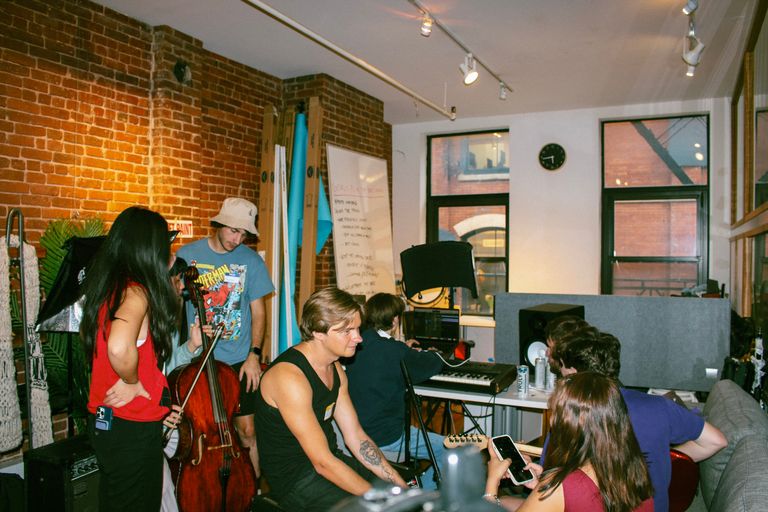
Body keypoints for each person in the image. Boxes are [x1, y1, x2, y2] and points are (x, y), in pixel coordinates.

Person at [255, 287, 407, 511]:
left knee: (399, 496)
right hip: (295, 479)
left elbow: (356, 436)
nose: (358, 338)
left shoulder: (335, 368)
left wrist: (399, 485)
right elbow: (322, 463)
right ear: (318, 332)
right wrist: (376, 498)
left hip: (330, 460)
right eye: (347, 331)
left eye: (358, 328)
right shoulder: (289, 378)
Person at [547, 328, 728, 512]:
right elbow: (716, 441)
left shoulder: (572, 413)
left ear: (574, 374)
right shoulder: (660, 406)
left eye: (562, 370)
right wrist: (667, 456)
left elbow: (553, 474)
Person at [81, 206, 179, 511]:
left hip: (108, 420)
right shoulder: (137, 293)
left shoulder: (109, 287)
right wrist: (132, 381)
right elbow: (119, 347)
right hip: (131, 425)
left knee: (116, 499)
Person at [176, 197, 274, 477]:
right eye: (233, 230)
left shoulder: (251, 261)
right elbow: (173, 303)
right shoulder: (187, 255)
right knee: (201, 432)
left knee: (247, 431)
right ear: (218, 224)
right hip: (198, 360)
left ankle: (253, 491)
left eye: (244, 234)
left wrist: (254, 355)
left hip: (238, 360)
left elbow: (259, 312)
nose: (238, 239)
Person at [486, 372, 654, 512]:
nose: (552, 420)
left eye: (555, 413)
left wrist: (492, 482)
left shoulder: (561, 485)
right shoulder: (634, 470)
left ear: (571, 425)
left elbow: (570, 493)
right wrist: (541, 486)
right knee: (506, 501)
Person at [344, 292, 445, 489]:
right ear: (395, 320)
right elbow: (430, 365)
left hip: (355, 431)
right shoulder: (395, 350)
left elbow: (382, 356)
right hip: (386, 436)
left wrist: (402, 349)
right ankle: (422, 495)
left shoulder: (357, 344)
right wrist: (434, 353)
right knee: (451, 449)